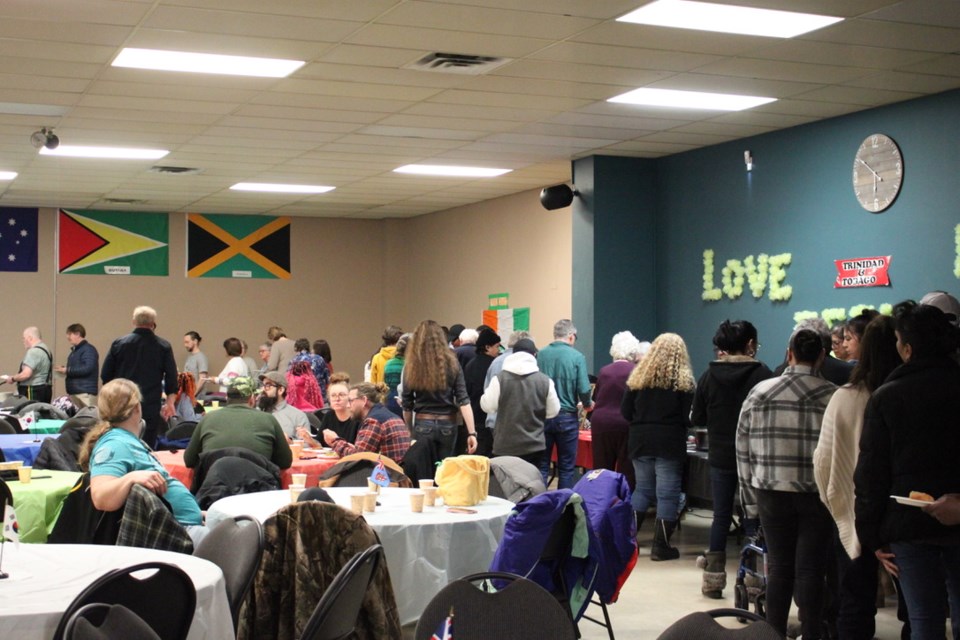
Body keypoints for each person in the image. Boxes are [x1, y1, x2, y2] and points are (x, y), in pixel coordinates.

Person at [854, 301, 960, 640]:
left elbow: (871, 475)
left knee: (924, 620)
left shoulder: (887, 397)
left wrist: (871, 536)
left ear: (908, 348)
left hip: (908, 525)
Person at [737, 329, 837, 639]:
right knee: (811, 570)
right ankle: (811, 633)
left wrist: (749, 500)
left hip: (770, 492)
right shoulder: (832, 395)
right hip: (815, 494)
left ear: (788, 353)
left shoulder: (760, 392)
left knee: (778, 568)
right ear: (821, 356)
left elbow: (743, 448)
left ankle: (773, 633)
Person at [815, 315, 901, 640]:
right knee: (919, 608)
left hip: (852, 512)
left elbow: (823, 462)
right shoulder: (905, 393)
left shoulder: (846, 397)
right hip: (905, 513)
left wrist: (837, 505)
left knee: (853, 600)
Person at [692, 320, 774, 597]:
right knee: (753, 516)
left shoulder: (708, 375)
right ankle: (753, 580)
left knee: (721, 516)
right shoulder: (763, 374)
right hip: (754, 457)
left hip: (720, 455)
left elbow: (698, 417)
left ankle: (713, 580)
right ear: (750, 344)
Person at [79, 378, 206, 544]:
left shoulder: (125, 440)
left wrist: (195, 512)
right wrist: (131, 478)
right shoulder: (114, 444)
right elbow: (100, 497)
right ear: (137, 408)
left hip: (183, 525)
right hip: (174, 536)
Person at [622, 332, 695, 561]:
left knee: (642, 489)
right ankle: (660, 546)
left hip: (640, 439)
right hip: (668, 442)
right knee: (667, 493)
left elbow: (625, 412)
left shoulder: (638, 380)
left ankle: (628, 542)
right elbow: (688, 418)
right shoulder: (684, 384)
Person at [100, 306, 178, 448]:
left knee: (120, 441)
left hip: (122, 403)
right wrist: (170, 403)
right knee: (146, 444)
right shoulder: (163, 346)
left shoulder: (119, 343)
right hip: (150, 404)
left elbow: (106, 375)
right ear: (153, 323)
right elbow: (172, 377)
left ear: (133, 322)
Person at [401, 319, 477, 460]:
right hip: (448, 423)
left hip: (422, 423)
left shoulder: (411, 365)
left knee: (424, 469)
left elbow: (407, 404)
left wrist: (409, 431)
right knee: (444, 471)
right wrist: (472, 433)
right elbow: (463, 400)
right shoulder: (452, 362)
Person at [480, 338, 560, 468]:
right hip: (534, 446)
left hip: (505, 446)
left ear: (513, 354)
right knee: (532, 484)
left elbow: (487, 406)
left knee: (505, 485)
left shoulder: (500, 379)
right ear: (534, 355)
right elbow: (553, 411)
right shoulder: (545, 381)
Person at [184, 376, 292, 470]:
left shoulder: (207, 419)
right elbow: (285, 462)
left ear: (226, 398)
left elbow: (189, 460)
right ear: (252, 399)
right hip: (258, 490)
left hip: (214, 489)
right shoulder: (269, 420)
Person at [537, 319, 593, 489]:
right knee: (567, 468)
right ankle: (563, 509)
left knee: (542, 466)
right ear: (570, 336)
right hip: (567, 416)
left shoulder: (541, 354)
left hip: (542, 416)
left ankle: (538, 506)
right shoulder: (577, 356)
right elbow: (584, 387)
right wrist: (587, 404)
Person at [591, 331, 648, 492]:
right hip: (626, 424)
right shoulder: (636, 371)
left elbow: (596, 398)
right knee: (627, 470)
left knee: (601, 470)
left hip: (601, 424)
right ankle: (623, 506)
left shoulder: (604, 371)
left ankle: (600, 503)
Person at [321, 382, 410, 463]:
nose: (348, 405)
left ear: (364, 400)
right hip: (397, 474)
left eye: (351, 401)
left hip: (386, 476)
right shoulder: (391, 416)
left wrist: (335, 441)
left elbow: (358, 458)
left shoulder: (374, 421)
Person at [464, 328, 502, 456]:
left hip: (473, 416)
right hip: (488, 416)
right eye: (496, 347)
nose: (499, 351)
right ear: (487, 347)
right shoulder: (493, 365)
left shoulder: (470, 364)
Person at [297, 373, 358, 445]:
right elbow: (319, 444)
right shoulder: (329, 416)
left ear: (349, 398)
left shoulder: (356, 418)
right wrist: (309, 439)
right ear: (329, 399)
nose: (337, 399)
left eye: (341, 395)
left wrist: (336, 440)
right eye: (333, 395)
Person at [3, 326, 53, 403]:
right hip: (45, 389)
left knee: (30, 413)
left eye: (24, 338)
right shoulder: (46, 349)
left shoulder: (33, 352)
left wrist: (12, 378)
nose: (23, 341)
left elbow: (26, 374)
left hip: (33, 390)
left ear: (30, 338)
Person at [56, 323, 99, 407]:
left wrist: (67, 370)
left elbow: (87, 368)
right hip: (76, 393)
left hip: (84, 394)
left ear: (78, 334)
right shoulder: (76, 351)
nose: (67, 337)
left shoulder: (88, 350)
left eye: (69, 334)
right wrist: (66, 370)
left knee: (87, 418)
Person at [257, 371, 309, 439]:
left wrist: (289, 442)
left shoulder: (297, 416)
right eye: (262, 385)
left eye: (268, 385)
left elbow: (305, 445)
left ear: (280, 390)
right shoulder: (256, 412)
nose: (263, 389)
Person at [383, 333, 411, 416]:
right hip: (403, 399)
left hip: (389, 398)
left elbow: (385, 380)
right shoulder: (408, 365)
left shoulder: (388, 363)